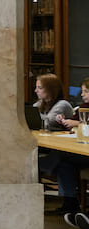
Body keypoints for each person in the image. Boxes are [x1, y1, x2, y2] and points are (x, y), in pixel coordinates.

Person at [34, 73, 80, 218]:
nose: (36, 91)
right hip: (54, 147)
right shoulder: (40, 103)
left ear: (51, 90)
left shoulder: (62, 104)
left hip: (66, 148)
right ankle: (69, 203)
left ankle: (68, 202)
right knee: (61, 161)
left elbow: (47, 121)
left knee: (60, 159)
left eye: (40, 88)